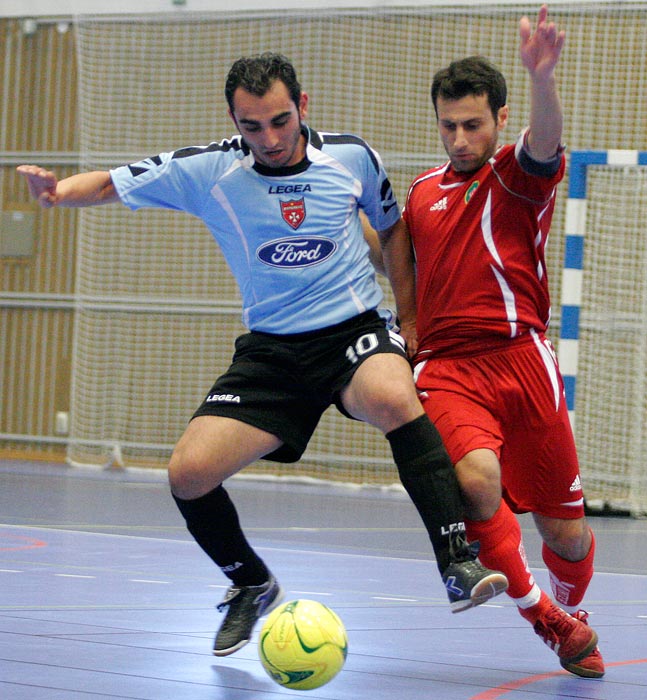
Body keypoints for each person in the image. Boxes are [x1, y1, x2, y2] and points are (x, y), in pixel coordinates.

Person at [17, 52, 508, 658]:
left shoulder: (352, 157)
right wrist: (57, 192)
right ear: (233, 120)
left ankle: (456, 560)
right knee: (189, 474)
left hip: (352, 333)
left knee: (389, 393)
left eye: (280, 121)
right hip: (273, 352)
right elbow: (114, 182)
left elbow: (394, 229)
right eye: (253, 126)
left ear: (302, 106)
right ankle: (250, 582)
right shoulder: (211, 171)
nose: (270, 139)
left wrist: (408, 320)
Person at [382, 5, 604, 679]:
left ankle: (570, 611)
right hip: (448, 370)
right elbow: (402, 262)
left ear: (499, 120)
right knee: (476, 483)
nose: (458, 138)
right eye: (447, 125)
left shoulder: (515, 175)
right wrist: (407, 325)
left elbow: (546, 138)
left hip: (522, 360)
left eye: (471, 124)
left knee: (565, 532)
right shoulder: (419, 192)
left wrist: (542, 75)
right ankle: (546, 620)